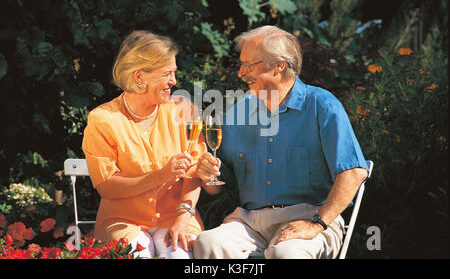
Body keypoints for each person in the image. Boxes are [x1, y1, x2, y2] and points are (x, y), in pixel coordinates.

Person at [193, 25, 369, 259]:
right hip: (251, 223)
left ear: (279, 65)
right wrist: (207, 170)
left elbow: (354, 173)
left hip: (311, 217)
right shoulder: (238, 114)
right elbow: (216, 185)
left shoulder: (321, 105)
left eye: (249, 65)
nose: (240, 73)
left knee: (286, 252)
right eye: (241, 64)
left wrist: (317, 224)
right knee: (207, 242)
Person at [82, 30, 218, 259]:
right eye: (167, 74)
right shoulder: (103, 119)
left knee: (179, 256)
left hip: (177, 216)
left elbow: (193, 174)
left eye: (174, 73)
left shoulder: (183, 110)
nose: (173, 81)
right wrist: (159, 175)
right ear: (139, 76)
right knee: (138, 255)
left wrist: (183, 218)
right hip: (122, 221)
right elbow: (106, 185)